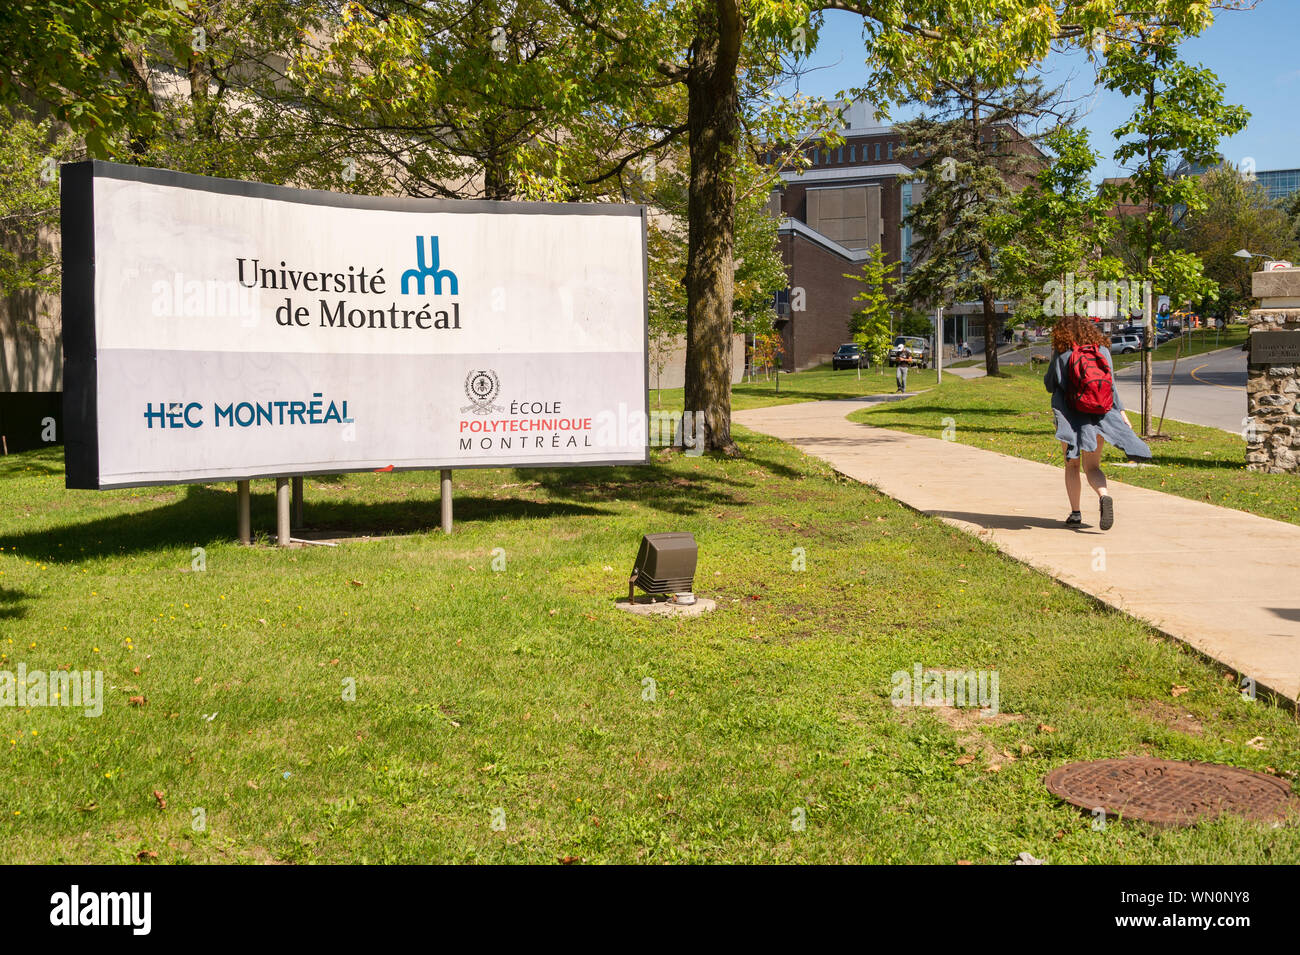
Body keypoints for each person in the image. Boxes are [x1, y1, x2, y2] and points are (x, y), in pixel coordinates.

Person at [1043, 316, 1151, 530]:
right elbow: (1110, 384)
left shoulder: (1063, 351)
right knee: (1092, 466)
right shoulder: (1102, 350)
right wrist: (1121, 411)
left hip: (1071, 417)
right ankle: (1104, 496)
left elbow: (1050, 384)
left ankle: (1075, 514)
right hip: (1101, 414)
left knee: (1072, 464)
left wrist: (1054, 361)